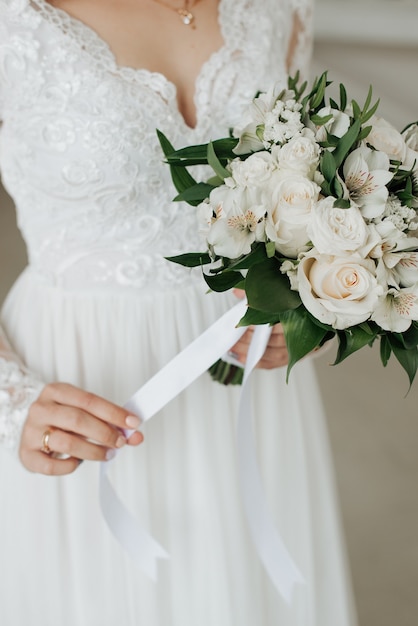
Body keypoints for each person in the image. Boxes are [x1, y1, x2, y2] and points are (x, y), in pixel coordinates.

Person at [0, 0, 358, 623]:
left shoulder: (279, 8)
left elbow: (297, 198)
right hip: (80, 395)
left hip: (250, 395)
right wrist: (8, 401)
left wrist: (312, 305)